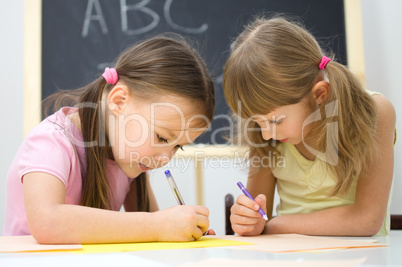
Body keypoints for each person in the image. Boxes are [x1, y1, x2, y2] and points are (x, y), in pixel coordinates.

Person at [3, 34, 216, 243]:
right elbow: (47, 223)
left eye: (178, 146)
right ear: (119, 100)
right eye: (161, 138)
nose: (165, 158)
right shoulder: (51, 141)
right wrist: (159, 225)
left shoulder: (128, 158)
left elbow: (154, 233)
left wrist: (183, 231)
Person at [223, 16, 396, 236]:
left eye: (275, 121)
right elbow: (258, 217)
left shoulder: (375, 112)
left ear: (319, 94)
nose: (266, 134)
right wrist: (249, 220)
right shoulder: (266, 133)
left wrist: (273, 225)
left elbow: (366, 220)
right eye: (257, 122)